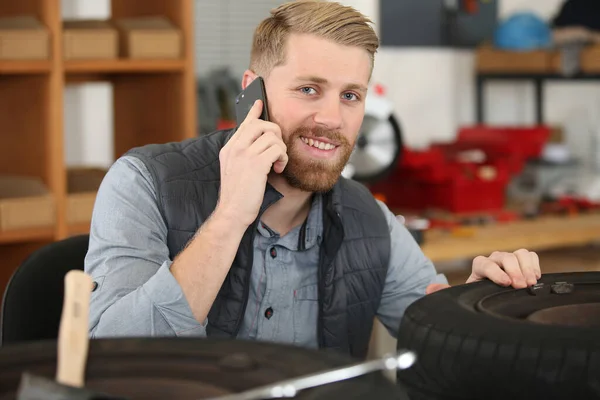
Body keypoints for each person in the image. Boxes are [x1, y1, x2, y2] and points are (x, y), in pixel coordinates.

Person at [85, 0, 542, 359]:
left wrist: (483, 306)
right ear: (252, 93)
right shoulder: (142, 182)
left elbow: (443, 341)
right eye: (309, 89)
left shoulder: (370, 220)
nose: (331, 118)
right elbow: (109, 354)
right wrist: (229, 218)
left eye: (350, 95)